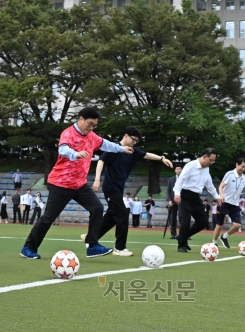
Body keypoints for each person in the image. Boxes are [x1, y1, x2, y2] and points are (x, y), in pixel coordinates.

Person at [20, 107, 134, 259]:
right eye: (90, 124)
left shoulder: (92, 136)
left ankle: (92, 246)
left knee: (97, 208)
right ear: (81, 119)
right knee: (48, 218)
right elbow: (63, 149)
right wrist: (75, 154)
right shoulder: (68, 133)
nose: (92, 128)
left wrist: (121, 149)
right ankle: (28, 248)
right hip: (60, 183)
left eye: (95, 125)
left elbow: (106, 144)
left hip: (79, 185)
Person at [90, 126, 172, 255]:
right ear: (126, 135)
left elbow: (146, 155)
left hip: (118, 188)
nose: (134, 143)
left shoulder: (133, 151)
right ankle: (120, 248)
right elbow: (101, 160)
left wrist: (162, 158)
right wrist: (97, 179)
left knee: (111, 217)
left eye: (136, 141)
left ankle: (91, 237)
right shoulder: (114, 148)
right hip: (110, 188)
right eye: (133, 140)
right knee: (122, 214)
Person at [174, 148, 222, 253]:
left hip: (196, 197)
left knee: (203, 221)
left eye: (214, 160)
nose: (212, 163)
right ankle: (181, 245)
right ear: (205, 157)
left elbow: (209, 184)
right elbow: (180, 180)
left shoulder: (206, 169)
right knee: (185, 222)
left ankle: (182, 236)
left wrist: (217, 197)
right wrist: (177, 194)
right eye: (211, 160)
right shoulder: (190, 166)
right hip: (185, 195)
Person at [166, 166, 182, 239]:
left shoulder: (185, 179)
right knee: (173, 218)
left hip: (182, 201)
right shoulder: (171, 179)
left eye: (180, 169)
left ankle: (184, 233)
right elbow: (168, 191)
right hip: (173, 201)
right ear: (175, 170)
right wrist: (169, 200)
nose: (178, 170)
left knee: (183, 218)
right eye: (177, 169)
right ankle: (173, 234)